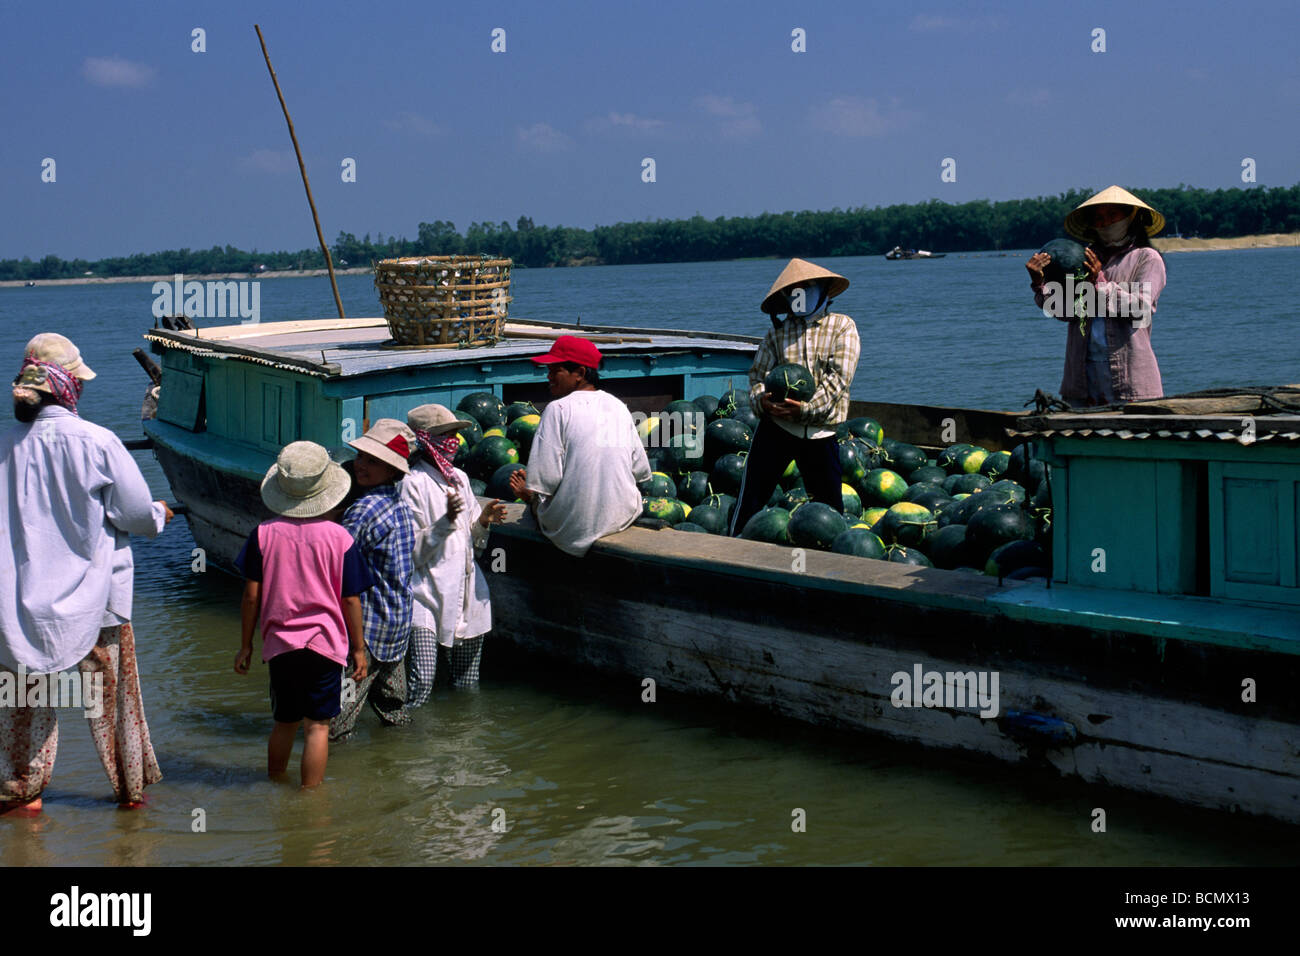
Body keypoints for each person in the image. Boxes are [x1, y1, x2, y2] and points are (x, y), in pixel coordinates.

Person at [0, 333, 173, 815]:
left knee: (21, 710)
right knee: (113, 704)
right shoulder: (98, 441)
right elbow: (137, 516)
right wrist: (160, 512)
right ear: (69, 387)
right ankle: (129, 795)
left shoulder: (4, 445)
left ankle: (21, 801)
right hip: (98, 598)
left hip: (16, 603)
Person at [234, 441, 372, 788]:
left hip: (281, 646)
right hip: (325, 646)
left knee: (284, 722)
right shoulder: (340, 538)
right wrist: (358, 649)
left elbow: (251, 597)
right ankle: (311, 801)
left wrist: (246, 646)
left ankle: (274, 784)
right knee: (318, 727)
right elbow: (350, 600)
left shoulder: (263, 535)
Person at [729, 258, 861, 536]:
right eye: (794, 289)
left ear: (824, 290)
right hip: (776, 428)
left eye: (807, 286)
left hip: (820, 433)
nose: (799, 293)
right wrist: (760, 400)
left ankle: (831, 567)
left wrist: (805, 409)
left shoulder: (842, 327)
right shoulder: (777, 333)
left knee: (829, 512)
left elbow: (838, 380)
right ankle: (734, 546)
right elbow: (757, 376)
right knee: (750, 499)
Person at [507, 336, 651, 556]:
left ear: (580, 374)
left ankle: (532, 502)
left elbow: (547, 480)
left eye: (556, 371)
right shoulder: (618, 406)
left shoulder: (557, 409)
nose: (549, 377)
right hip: (623, 516)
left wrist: (532, 493)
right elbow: (640, 469)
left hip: (572, 529)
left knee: (537, 499)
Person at [401, 404, 508, 698]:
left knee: (466, 684)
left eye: (455, 434)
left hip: (469, 592)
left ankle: (461, 739)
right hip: (426, 594)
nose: (454, 441)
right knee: (421, 680)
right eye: (446, 434)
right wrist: (445, 522)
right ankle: (411, 736)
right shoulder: (412, 483)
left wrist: (483, 521)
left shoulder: (459, 479)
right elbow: (410, 552)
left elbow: (472, 540)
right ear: (426, 440)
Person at [1026, 185, 1167, 406]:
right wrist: (1039, 283)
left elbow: (1141, 308)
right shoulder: (1082, 260)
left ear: (1131, 218)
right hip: (1083, 380)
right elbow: (1065, 312)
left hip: (1130, 382)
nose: (1105, 222)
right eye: (1099, 218)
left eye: (1112, 215)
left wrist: (1098, 282)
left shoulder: (1146, 258)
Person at [329, 419, 417, 740]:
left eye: (373, 461)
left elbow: (335, 564)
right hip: (396, 623)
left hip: (368, 632)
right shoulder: (400, 506)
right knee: (393, 708)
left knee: (337, 720)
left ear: (392, 471)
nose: (361, 465)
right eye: (361, 457)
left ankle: (338, 778)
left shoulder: (362, 511)